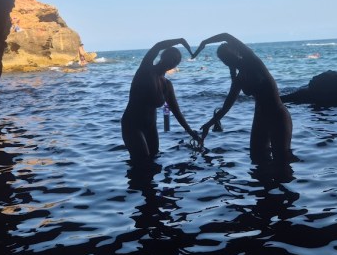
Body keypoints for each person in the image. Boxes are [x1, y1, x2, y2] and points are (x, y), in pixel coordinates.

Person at [191, 33, 294, 163]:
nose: (227, 60)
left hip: (277, 115)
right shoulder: (239, 79)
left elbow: (226, 36)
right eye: (224, 59)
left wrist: (204, 42)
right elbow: (226, 107)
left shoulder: (252, 62)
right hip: (260, 118)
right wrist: (208, 125)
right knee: (257, 158)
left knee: (282, 159)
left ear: (237, 52)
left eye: (228, 56)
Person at [121, 38, 201, 161]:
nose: (173, 62)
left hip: (151, 127)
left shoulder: (167, 85)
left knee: (154, 163)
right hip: (133, 125)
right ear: (163, 56)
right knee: (142, 163)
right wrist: (180, 41)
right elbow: (157, 46)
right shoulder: (146, 70)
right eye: (171, 57)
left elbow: (176, 111)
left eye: (176, 61)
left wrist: (191, 132)